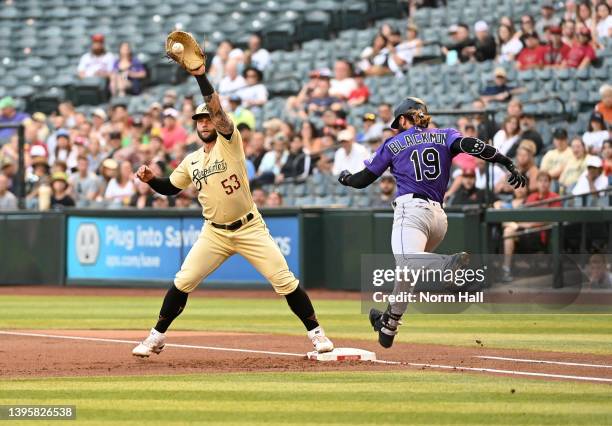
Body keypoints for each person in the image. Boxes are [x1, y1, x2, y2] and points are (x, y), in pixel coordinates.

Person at [132, 58, 334, 357]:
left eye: (207, 119)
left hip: (249, 226)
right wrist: (151, 180)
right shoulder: (192, 160)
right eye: (199, 120)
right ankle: (156, 336)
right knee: (182, 281)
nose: (204, 123)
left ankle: (317, 335)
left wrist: (201, 77)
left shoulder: (230, 141)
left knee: (284, 281)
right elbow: (171, 188)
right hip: (214, 233)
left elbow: (217, 110)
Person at [337, 97, 526, 347]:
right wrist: (506, 162)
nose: (397, 125)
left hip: (412, 211)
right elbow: (474, 145)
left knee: (406, 261)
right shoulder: (445, 135)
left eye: (399, 121)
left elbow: (363, 180)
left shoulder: (393, 143)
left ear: (404, 118)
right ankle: (389, 324)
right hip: (439, 218)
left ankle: (449, 265)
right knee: (407, 273)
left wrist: (346, 178)